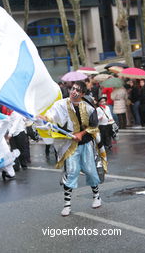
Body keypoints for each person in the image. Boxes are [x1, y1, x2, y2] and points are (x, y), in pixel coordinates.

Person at [41, 81, 102, 217]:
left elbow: (94, 126)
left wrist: (81, 134)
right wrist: (44, 118)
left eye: (78, 90)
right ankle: (67, 205)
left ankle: (96, 196)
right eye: (73, 89)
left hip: (86, 144)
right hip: (69, 145)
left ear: (83, 94)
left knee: (90, 170)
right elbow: (51, 116)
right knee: (72, 172)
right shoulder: (61, 105)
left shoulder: (88, 107)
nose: (74, 92)